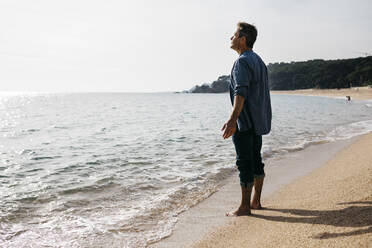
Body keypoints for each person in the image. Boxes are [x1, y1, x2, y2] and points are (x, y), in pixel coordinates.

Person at [221, 22, 272, 216]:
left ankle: (244, 207)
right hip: (258, 122)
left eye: (234, 35)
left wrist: (233, 119)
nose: (231, 38)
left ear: (243, 39)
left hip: (245, 122)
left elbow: (240, 92)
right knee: (256, 160)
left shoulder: (242, 61)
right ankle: (256, 202)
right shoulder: (258, 60)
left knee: (244, 162)